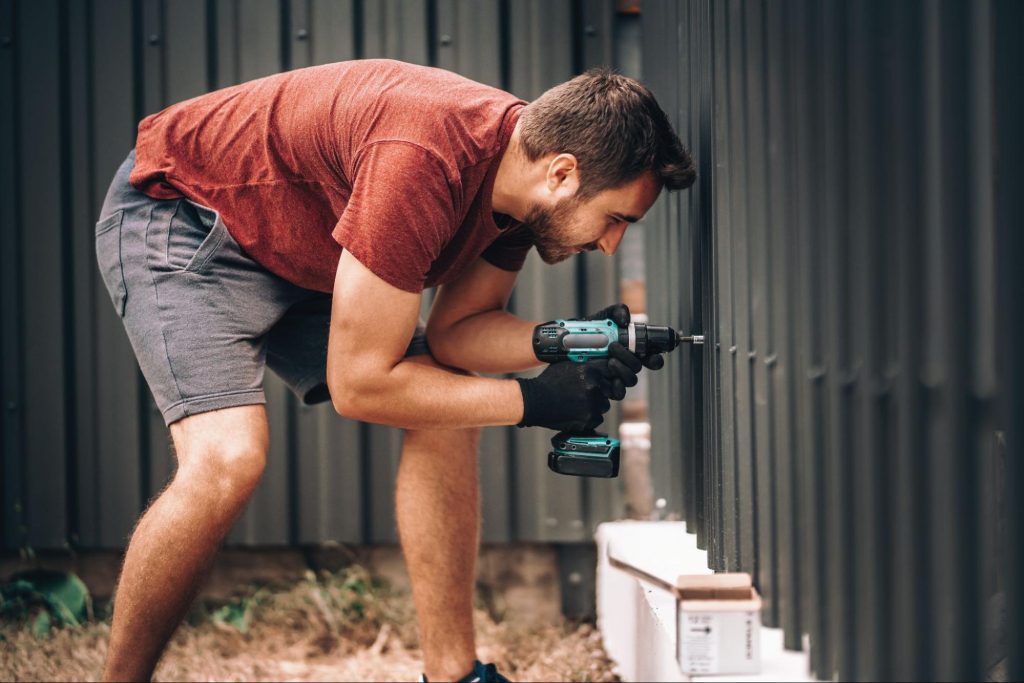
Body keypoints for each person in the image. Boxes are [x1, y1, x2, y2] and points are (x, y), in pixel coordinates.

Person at [93, 58, 694, 682]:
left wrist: (570, 343)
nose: (611, 244)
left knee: (444, 401)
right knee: (228, 459)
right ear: (564, 173)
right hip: (188, 217)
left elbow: (457, 335)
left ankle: (452, 674)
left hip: (305, 247)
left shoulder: (521, 190)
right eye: (617, 218)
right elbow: (362, 386)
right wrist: (536, 403)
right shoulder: (425, 159)